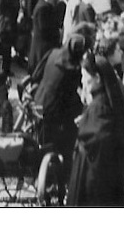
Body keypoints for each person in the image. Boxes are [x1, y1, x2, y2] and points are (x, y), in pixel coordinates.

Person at [67, 52, 124, 206]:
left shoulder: (100, 107)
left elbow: (99, 137)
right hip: (112, 176)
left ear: (98, 79)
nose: (82, 80)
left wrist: (87, 124)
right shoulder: (111, 101)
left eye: (84, 76)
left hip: (94, 178)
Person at [33, 34, 88, 172]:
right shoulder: (74, 69)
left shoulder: (52, 53)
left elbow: (36, 75)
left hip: (38, 102)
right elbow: (71, 96)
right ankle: (67, 164)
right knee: (73, 126)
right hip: (54, 110)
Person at [28, 0, 62, 75]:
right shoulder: (43, 8)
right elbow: (44, 29)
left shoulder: (47, 6)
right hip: (42, 48)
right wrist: (58, 32)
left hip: (44, 46)